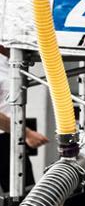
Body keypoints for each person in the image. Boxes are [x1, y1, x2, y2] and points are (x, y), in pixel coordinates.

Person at [0, 46, 49, 193]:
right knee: (22, 196)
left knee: (25, 194)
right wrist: (27, 133)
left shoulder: (9, 61)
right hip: (6, 137)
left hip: (11, 136)